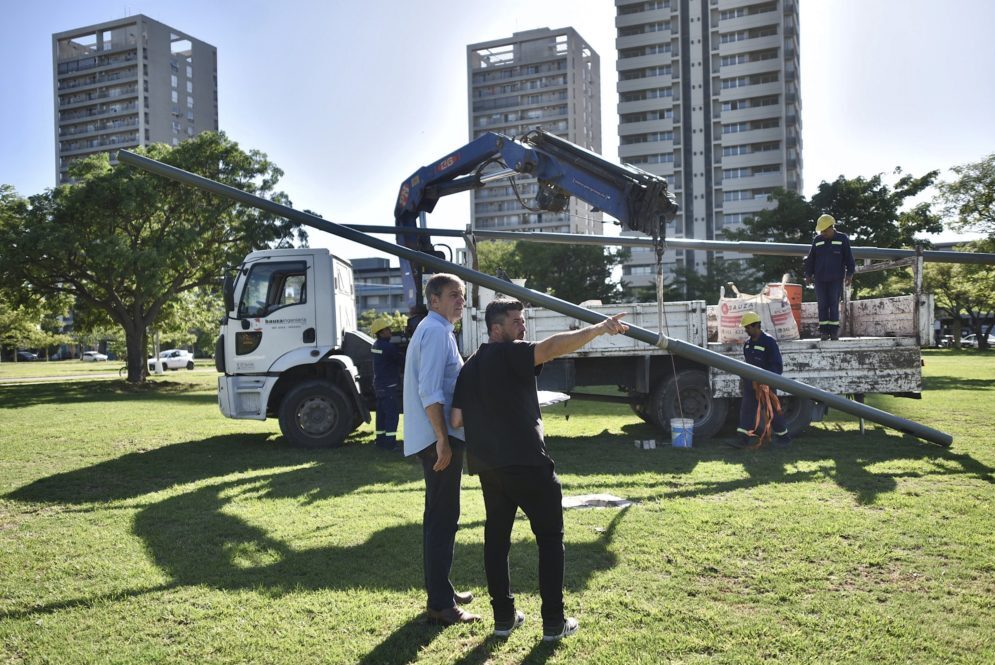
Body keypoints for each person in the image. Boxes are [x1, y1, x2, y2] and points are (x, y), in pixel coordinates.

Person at [450, 298, 628, 641]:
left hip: (490, 468)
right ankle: (553, 623)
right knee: (549, 540)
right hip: (529, 464)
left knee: (496, 540)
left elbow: (456, 418)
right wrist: (600, 327)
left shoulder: (470, 365)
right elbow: (551, 348)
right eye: (516, 322)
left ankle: (503, 620)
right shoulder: (510, 352)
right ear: (496, 329)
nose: (523, 327)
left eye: (523, 320)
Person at [402, 274, 479, 626]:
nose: (460, 301)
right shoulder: (434, 332)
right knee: (443, 520)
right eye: (452, 295)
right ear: (434, 300)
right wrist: (442, 440)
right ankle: (440, 605)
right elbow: (430, 390)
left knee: (439, 518)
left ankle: (441, 592)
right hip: (439, 442)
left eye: (461, 295)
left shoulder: (438, 330)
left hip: (438, 439)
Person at [730, 311, 791, 449]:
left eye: (748, 327)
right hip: (751, 384)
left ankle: (784, 438)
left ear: (756, 325)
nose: (746, 330)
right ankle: (742, 439)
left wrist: (768, 380)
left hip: (767, 384)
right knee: (747, 409)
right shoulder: (747, 344)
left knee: (773, 411)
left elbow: (776, 365)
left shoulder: (769, 342)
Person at [804, 213, 856, 341]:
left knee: (833, 304)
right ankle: (824, 332)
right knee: (822, 305)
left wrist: (850, 274)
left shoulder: (842, 239)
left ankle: (833, 332)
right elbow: (811, 259)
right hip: (820, 279)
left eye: (825, 230)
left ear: (832, 227)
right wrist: (808, 275)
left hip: (835, 279)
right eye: (821, 231)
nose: (823, 233)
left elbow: (849, 258)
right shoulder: (817, 240)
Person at [370, 315, 402, 452]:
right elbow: (402, 360)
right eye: (388, 329)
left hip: (379, 385)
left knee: (381, 415)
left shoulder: (376, 345)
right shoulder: (388, 347)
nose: (390, 331)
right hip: (388, 386)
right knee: (391, 415)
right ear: (382, 332)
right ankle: (390, 444)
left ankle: (380, 441)